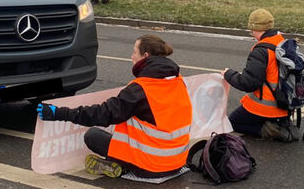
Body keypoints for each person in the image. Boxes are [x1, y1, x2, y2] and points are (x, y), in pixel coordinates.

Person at [37, 34, 192, 180]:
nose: (131, 57)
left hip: (150, 166)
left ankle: (121, 164)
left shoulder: (140, 89)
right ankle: (120, 164)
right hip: (176, 162)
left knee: (93, 136)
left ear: (145, 56)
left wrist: (58, 113)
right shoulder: (178, 81)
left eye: (134, 52)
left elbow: (101, 114)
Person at [222, 9, 297, 141]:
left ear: (254, 28)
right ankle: (278, 122)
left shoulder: (261, 51)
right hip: (286, 104)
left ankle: (269, 130)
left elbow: (248, 83)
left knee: (232, 122)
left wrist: (228, 74)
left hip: (266, 106)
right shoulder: (282, 43)